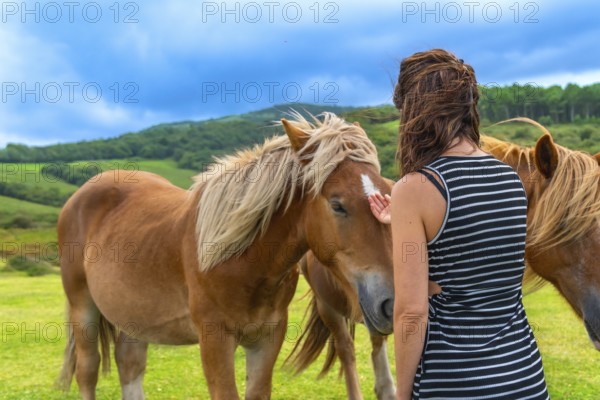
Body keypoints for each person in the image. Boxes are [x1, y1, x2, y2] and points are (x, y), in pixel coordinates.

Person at [368, 49, 549, 399]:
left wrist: (402, 394)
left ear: (415, 112)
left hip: (453, 382)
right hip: (524, 375)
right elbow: (471, 253)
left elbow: (411, 313)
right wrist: (403, 221)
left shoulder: (416, 188)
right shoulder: (510, 179)